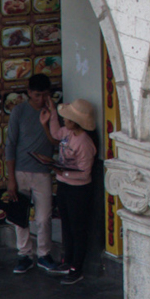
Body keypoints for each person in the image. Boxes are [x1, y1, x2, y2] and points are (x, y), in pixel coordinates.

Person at [2, 74, 65, 275]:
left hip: (42, 171)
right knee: (20, 215)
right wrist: (11, 178)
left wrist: (49, 119)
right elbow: (10, 144)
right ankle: (24, 254)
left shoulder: (53, 112)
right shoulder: (19, 112)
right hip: (20, 170)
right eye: (37, 95)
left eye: (45, 95)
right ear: (29, 93)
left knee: (44, 217)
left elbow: (57, 141)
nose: (41, 99)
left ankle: (44, 253)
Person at [51, 99, 102, 285]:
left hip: (79, 191)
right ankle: (67, 260)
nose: (65, 120)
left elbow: (84, 173)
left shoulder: (85, 143)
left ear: (76, 122)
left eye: (68, 118)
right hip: (64, 186)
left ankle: (76, 268)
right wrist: (49, 117)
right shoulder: (68, 133)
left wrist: (62, 172)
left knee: (78, 229)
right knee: (66, 225)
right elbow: (56, 134)